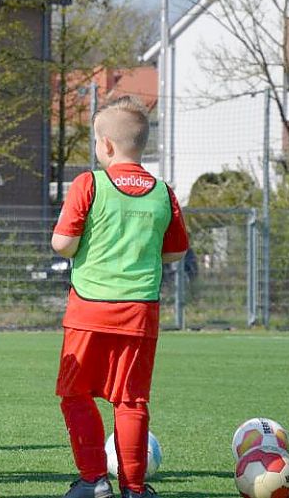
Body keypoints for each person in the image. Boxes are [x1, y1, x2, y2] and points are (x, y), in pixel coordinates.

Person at [51, 96, 189, 498]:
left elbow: (62, 244)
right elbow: (176, 252)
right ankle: (134, 487)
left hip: (89, 311)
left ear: (106, 146)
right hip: (139, 313)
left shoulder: (89, 183)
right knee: (131, 400)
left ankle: (94, 479)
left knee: (75, 394)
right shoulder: (164, 192)